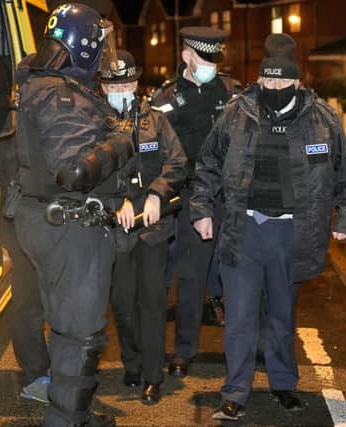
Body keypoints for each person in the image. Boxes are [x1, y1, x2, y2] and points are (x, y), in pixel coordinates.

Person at [189, 33, 346, 420]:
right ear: (260, 79)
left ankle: (283, 384)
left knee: (282, 316)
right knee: (239, 317)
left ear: (297, 81)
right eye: (269, 80)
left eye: (283, 81)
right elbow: (206, 166)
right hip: (243, 229)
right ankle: (235, 392)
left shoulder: (321, 120)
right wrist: (201, 210)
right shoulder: (236, 114)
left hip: (292, 233)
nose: (275, 87)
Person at [13, 4, 134, 426]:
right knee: (80, 337)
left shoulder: (44, 84)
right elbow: (76, 170)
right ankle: (66, 420)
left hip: (48, 221)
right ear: (82, 46)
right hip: (71, 227)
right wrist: (123, 140)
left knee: (68, 329)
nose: (104, 54)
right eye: (100, 45)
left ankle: (74, 414)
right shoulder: (60, 94)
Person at [151, 26, 241, 377]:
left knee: (240, 275)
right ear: (187, 55)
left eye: (215, 60)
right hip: (191, 197)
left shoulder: (234, 93)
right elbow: (154, 149)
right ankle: (184, 351)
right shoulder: (165, 99)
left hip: (231, 196)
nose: (211, 66)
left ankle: (247, 347)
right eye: (205, 59)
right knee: (191, 277)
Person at [100, 50, 187, 405]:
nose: (120, 88)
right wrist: (114, 200)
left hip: (152, 228)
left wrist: (156, 195)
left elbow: (178, 162)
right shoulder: (92, 122)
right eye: (113, 83)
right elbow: (89, 172)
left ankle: (153, 376)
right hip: (116, 228)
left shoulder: (157, 121)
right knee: (122, 304)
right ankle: (132, 361)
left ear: (135, 83)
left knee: (151, 302)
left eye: (126, 82)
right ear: (103, 86)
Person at [0, 112, 50, 403]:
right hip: (24, 225)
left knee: (35, 302)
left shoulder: (21, 121)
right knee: (30, 303)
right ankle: (36, 375)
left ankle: (41, 372)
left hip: (34, 225)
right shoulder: (15, 126)